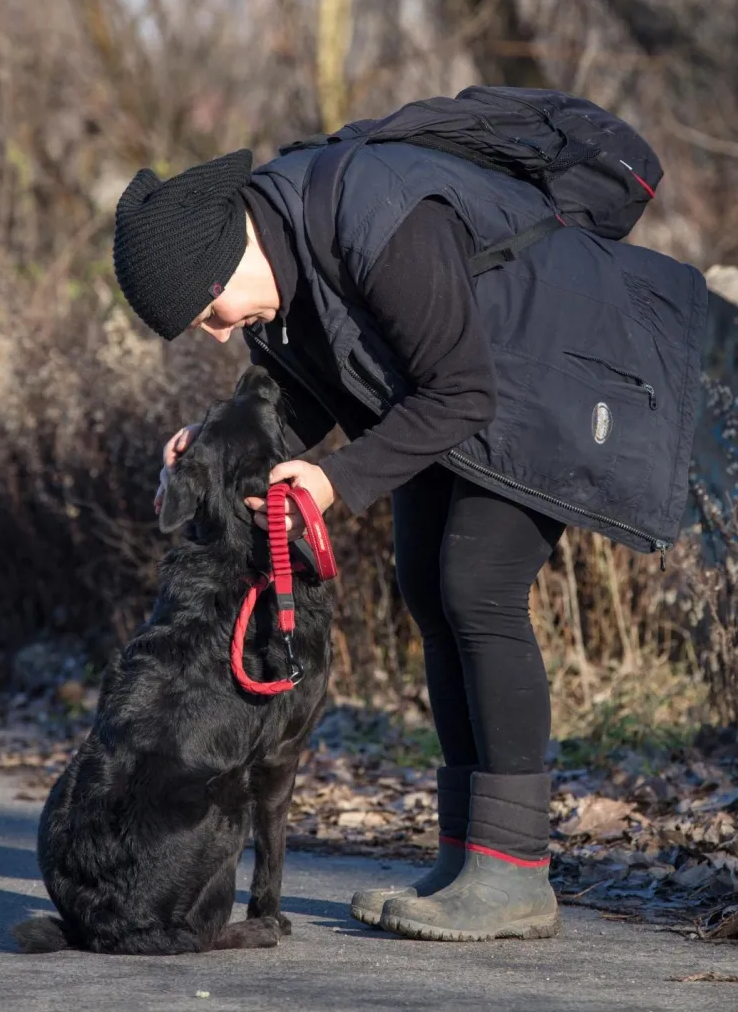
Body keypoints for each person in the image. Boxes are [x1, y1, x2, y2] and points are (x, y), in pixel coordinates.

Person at [112, 116, 704, 942]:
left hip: (552, 376)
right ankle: (468, 853)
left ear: (228, 251)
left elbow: (462, 391)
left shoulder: (375, 220)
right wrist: (206, 446)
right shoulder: (284, 264)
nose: (218, 331)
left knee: (477, 583)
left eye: (209, 311)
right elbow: (309, 391)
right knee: (425, 579)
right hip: (460, 393)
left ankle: (513, 873)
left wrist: (337, 479)